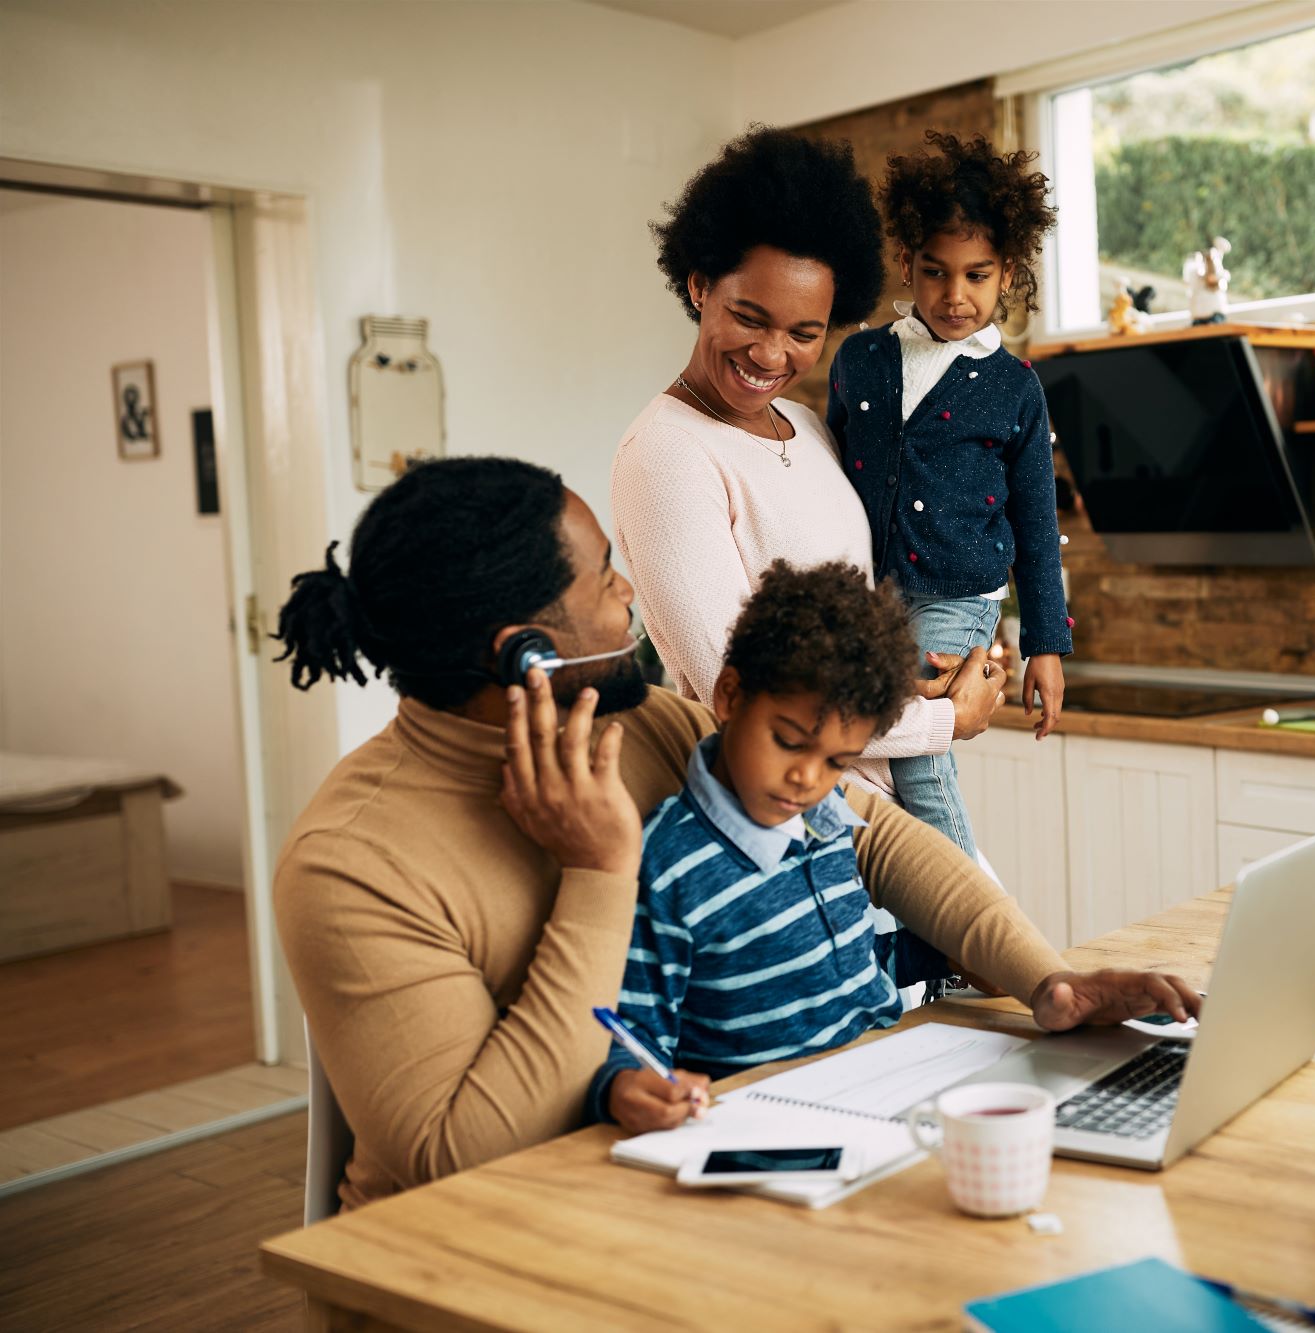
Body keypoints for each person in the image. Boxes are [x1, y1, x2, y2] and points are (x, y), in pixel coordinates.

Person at [270, 456, 1198, 1209]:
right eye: (603, 577)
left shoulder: (643, 727)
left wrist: (1050, 978)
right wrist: (601, 871)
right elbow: (456, 1157)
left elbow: (871, 836)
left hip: (680, 1189)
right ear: (525, 649)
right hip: (480, 1261)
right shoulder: (355, 861)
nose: (628, 587)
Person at [610, 125, 997, 810]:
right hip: (794, 823)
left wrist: (931, 674)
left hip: (885, 802)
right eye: (749, 317)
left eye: (804, 333)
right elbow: (741, 688)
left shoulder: (810, 427)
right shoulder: (668, 454)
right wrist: (945, 720)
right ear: (700, 285)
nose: (770, 354)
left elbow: (846, 635)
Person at [594, 561, 951, 1132]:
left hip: (881, 1094)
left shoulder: (829, 826)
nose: (807, 780)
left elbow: (845, 974)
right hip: (767, 1128)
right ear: (730, 696)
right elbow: (632, 1033)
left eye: (837, 762)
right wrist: (625, 1086)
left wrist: (939, 955)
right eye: (789, 743)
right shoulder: (668, 863)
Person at [826, 130, 1070, 859]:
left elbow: (1036, 519)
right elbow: (828, 474)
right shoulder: (861, 360)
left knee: (919, 764)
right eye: (935, 272)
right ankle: (925, 944)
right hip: (871, 596)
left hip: (958, 598)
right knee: (870, 771)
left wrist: (1046, 646)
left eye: (977, 274)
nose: (954, 295)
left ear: (1008, 275)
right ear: (908, 263)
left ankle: (976, 935)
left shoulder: (1014, 387)